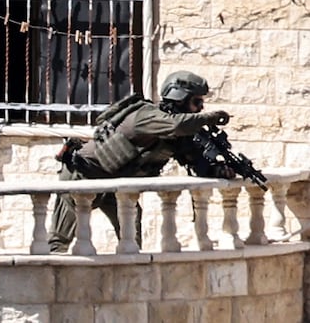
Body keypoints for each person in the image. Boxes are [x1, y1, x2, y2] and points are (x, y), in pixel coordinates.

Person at [49, 70, 236, 253]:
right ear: (180, 98)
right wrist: (209, 118)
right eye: (197, 102)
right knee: (59, 242)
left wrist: (218, 169)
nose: (201, 108)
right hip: (82, 175)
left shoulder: (177, 135)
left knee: (131, 244)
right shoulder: (147, 116)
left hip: (115, 186)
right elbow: (177, 124)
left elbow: (195, 162)